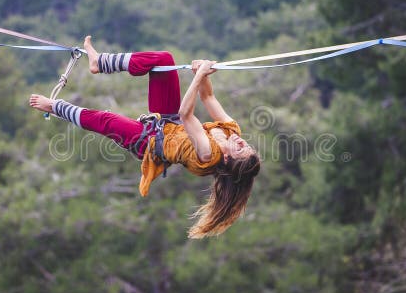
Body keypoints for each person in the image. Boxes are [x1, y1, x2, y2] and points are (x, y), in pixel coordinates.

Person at [29, 36, 260, 238]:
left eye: (241, 149)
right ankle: (100, 62)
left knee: (105, 120)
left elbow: (187, 115)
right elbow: (208, 98)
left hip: (149, 142)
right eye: (247, 145)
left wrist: (199, 76)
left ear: (228, 160)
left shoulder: (209, 155)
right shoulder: (232, 131)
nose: (242, 142)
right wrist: (201, 73)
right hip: (168, 122)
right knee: (164, 61)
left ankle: (54, 107)